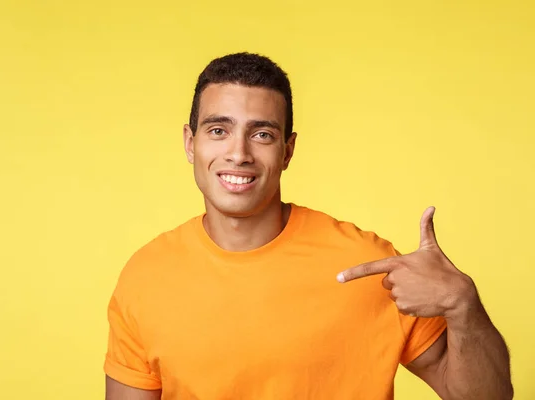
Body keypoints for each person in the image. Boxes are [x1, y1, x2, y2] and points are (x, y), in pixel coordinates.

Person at [103, 52, 513, 400]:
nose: (238, 153)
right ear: (191, 143)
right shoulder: (146, 276)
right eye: (218, 130)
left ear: (288, 150)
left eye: (261, 134)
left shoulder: (367, 265)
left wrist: (464, 305)